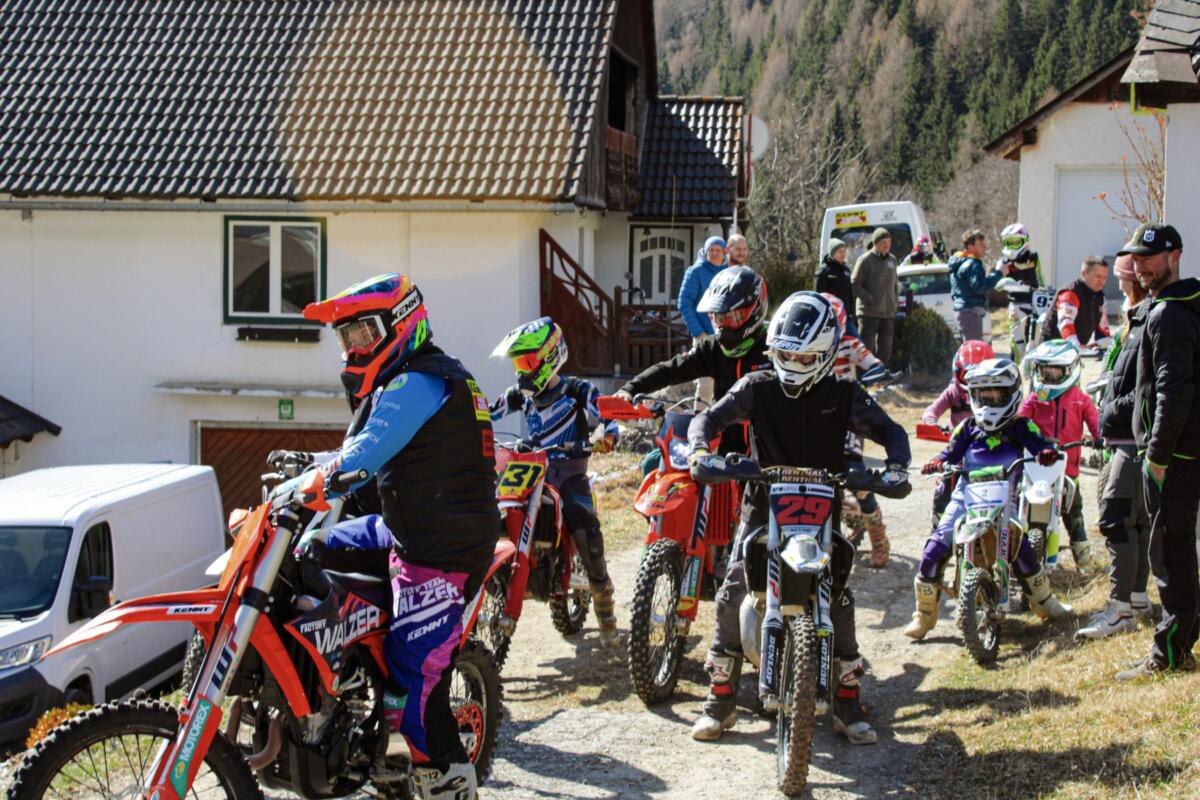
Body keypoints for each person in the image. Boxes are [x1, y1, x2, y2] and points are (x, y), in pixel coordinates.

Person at [294, 274, 498, 800]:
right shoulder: (412, 379)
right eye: (346, 339)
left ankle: (449, 779)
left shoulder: (420, 382)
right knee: (310, 550)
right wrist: (306, 467)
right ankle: (349, 677)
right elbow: (365, 446)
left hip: (441, 551)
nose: (353, 349)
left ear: (402, 324)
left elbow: (364, 455)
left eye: (363, 334)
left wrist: (315, 481)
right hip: (408, 527)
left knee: (415, 692)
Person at [686, 292, 911, 745]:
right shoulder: (757, 386)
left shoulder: (844, 393)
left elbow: (891, 431)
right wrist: (699, 450)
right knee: (732, 591)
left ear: (826, 354)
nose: (792, 363)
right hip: (763, 500)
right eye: (785, 354)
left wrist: (897, 466)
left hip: (821, 506)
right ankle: (720, 698)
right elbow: (709, 419)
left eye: (804, 357)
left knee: (839, 597)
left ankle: (847, 700)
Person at [905, 358, 1072, 640]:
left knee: (1020, 546)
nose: (990, 401)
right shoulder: (967, 428)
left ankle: (1044, 601)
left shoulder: (1022, 426)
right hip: (965, 495)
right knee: (935, 547)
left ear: (1012, 393)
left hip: (1005, 496)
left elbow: (1041, 444)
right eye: (984, 395)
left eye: (997, 395)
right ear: (973, 395)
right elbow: (949, 453)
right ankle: (923, 614)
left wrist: (1047, 453)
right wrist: (937, 462)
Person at [489, 317, 621, 647]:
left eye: (527, 362)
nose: (521, 371)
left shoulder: (576, 390)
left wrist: (608, 434)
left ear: (549, 358)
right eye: (518, 363)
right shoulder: (520, 395)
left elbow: (606, 411)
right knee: (494, 510)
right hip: (531, 472)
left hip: (569, 473)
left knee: (583, 524)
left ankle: (604, 603)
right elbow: (488, 413)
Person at [1119, 222, 1197, 680]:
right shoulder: (1183, 304)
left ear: (1175, 256)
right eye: (1137, 258)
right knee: (1181, 551)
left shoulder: (1169, 314)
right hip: (1185, 450)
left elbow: (1173, 392)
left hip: (1176, 457)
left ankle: (1170, 651)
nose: (1141, 266)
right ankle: (1181, 640)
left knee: (1171, 554)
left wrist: (1159, 456)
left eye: (1149, 257)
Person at [617, 267, 770, 461]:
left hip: (768, 455)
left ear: (755, 310)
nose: (724, 325)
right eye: (718, 318)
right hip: (725, 451)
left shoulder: (775, 347)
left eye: (733, 317)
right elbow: (671, 369)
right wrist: (630, 389)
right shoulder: (712, 348)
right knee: (653, 463)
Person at [1078, 254, 1152, 639]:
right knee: (1137, 520)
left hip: (1132, 440)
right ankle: (1136, 597)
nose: (1118, 289)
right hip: (1130, 438)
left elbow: (1145, 390)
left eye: (1121, 282)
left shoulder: (1147, 323)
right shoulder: (1137, 322)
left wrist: (1107, 409)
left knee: (1116, 517)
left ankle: (1120, 611)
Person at [824, 293, 894, 567]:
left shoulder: (848, 345)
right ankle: (844, 519)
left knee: (856, 476)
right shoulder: (804, 351)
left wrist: (877, 369)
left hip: (846, 420)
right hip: (813, 419)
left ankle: (879, 538)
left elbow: (867, 359)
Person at [1018, 340, 1100, 568]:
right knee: (1024, 509)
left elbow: (1096, 422)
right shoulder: (1036, 398)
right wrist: (1015, 430)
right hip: (1036, 468)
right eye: (1045, 372)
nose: (1049, 377)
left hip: (1068, 471)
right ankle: (1019, 560)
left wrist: (1099, 437)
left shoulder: (1080, 400)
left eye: (1055, 372)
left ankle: (1084, 563)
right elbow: (1020, 419)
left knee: (1074, 516)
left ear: (1070, 370)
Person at [921, 340, 995, 525]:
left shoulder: (996, 393)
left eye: (979, 374)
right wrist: (932, 423)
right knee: (942, 492)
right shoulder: (953, 392)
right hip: (957, 454)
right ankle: (938, 529)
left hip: (986, 452)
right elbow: (931, 411)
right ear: (957, 371)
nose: (973, 380)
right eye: (967, 374)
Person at [679, 235, 729, 406]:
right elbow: (685, 303)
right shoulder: (695, 271)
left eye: (718, 250)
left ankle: (721, 420)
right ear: (706, 252)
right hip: (704, 336)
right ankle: (699, 417)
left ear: (724, 253)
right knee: (706, 384)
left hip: (725, 336)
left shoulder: (729, 271)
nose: (715, 253)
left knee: (725, 383)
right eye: (711, 250)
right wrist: (699, 332)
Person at [1040, 256, 1112, 351]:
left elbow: (1103, 329)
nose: (1102, 281)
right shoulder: (1070, 293)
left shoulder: (1100, 297)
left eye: (1105, 277)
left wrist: (1105, 345)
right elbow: (1065, 325)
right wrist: (1079, 348)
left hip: (1073, 351)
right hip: (1052, 351)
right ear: (1084, 273)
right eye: (1098, 276)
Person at [949, 229, 1008, 342]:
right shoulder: (972, 264)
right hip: (970, 313)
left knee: (969, 348)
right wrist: (999, 273)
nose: (984, 247)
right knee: (974, 349)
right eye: (980, 244)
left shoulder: (961, 263)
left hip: (964, 313)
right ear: (971, 247)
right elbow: (980, 287)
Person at [997, 223, 1045, 360]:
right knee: (1017, 342)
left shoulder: (1034, 258)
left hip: (1035, 304)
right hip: (1016, 305)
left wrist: (1044, 290)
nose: (1012, 246)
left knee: (1036, 340)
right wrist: (1006, 280)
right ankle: (1015, 367)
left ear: (1025, 241)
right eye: (1009, 242)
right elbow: (997, 284)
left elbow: (1041, 279)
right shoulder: (1003, 262)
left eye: (1015, 242)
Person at [852, 227, 899, 362]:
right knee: (866, 351)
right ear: (876, 243)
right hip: (869, 313)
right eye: (884, 242)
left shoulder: (892, 260)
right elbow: (854, 284)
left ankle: (879, 373)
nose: (887, 245)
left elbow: (895, 285)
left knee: (886, 351)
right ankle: (865, 375)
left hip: (888, 314)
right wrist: (869, 299)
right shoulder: (865, 260)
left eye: (889, 242)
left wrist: (894, 301)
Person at [817, 238, 856, 332]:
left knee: (855, 339)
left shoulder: (846, 270)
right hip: (831, 318)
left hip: (847, 317)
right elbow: (819, 296)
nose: (843, 254)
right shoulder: (824, 271)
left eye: (844, 251)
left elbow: (850, 293)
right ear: (832, 253)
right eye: (840, 252)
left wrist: (852, 312)